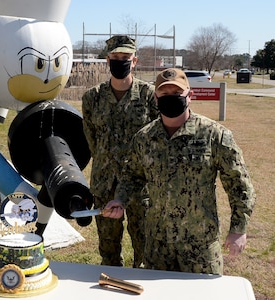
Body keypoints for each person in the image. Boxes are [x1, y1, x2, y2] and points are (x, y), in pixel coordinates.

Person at [104, 68, 256, 274]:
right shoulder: (144, 138)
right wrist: (120, 199)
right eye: (164, 94)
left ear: (189, 96)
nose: (170, 99)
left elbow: (239, 184)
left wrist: (238, 229)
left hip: (200, 244)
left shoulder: (214, 135)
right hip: (158, 244)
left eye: (176, 94)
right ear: (156, 99)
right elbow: (132, 176)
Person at [82, 35, 159, 267]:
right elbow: (91, 139)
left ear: (134, 61)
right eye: (115, 57)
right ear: (107, 60)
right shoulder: (92, 98)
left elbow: (158, 139)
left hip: (141, 185)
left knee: (145, 251)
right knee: (108, 251)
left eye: (125, 57)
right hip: (105, 185)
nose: (120, 62)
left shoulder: (149, 95)